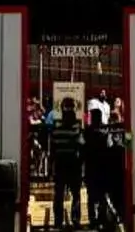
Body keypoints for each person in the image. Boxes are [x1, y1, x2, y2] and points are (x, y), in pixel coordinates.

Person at [84, 105, 127, 232]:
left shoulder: (89, 132)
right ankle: (103, 218)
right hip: (106, 168)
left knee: (93, 195)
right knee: (103, 195)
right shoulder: (106, 133)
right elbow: (125, 148)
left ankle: (95, 219)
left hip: (95, 168)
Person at [49, 98, 86, 229]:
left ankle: (58, 221)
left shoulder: (56, 129)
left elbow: (52, 151)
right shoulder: (77, 128)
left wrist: (50, 168)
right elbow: (82, 148)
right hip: (73, 165)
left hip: (60, 165)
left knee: (59, 195)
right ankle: (75, 221)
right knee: (75, 194)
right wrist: (82, 168)